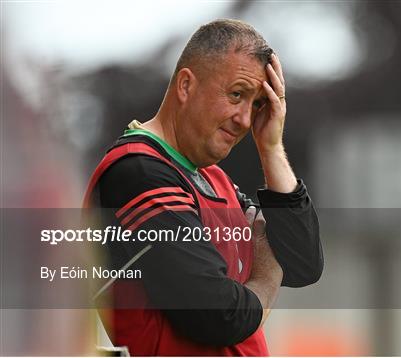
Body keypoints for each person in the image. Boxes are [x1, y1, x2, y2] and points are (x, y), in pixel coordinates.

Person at [83, 19, 323, 356]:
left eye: (255, 104)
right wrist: (267, 276)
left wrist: (270, 149)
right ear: (185, 86)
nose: (244, 119)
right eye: (236, 94)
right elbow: (218, 315)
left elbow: (302, 264)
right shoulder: (138, 173)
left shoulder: (215, 181)